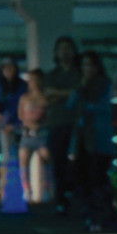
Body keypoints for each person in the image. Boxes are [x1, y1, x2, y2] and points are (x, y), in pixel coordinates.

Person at [67, 51, 117, 232]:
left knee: (99, 179)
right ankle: (91, 214)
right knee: (84, 178)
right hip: (82, 138)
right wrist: (80, 88)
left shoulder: (105, 85)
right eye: (84, 65)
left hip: (99, 138)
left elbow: (105, 108)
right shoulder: (81, 87)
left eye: (89, 65)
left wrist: (88, 106)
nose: (86, 69)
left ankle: (104, 215)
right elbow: (70, 105)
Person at [44, 36, 81, 213]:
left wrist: (59, 94)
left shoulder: (79, 73)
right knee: (58, 161)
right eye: (62, 49)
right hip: (57, 123)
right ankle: (60, 199)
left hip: (76, 123)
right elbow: (48, 96)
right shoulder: (52, 75)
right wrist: (68, 94)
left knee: (77, 162)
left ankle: (77, 196)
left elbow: (79, 92)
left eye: (68, 48)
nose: (65, 52)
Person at [0, 58, 27, 200]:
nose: (8, 71)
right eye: (5, 68)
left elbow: (21, 107)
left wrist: (14, 123)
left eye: (11, 68)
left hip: (9, 125)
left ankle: (4, 187)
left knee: (6, 156)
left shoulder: (22, 86)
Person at [17, 68, 51, 203]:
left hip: (42, 133)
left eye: (36, 80)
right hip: (27, 134)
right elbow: (20, 114)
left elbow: (49, 115)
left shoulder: (46, 98)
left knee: (47, 158)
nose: (33, 83)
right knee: (23, 160)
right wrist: (27, 123)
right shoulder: (25, 98)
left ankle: (46, 189)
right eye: (31, 80)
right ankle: (26, 190)